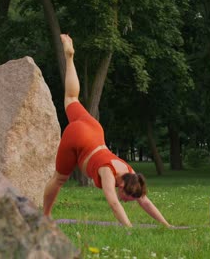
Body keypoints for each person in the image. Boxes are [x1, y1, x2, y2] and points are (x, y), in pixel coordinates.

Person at [43, 34, 175, 228]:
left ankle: (69, 57)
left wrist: (167, 225)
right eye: (127, 199)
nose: (126, 201)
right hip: (79, 137)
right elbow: (113, 202)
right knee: (59, 178)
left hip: (94, 132)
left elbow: (144, 200)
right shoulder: (109, 172)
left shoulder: (131, 174)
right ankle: (44, 216)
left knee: (72, 99)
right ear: (121, 187)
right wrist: (129, 229)